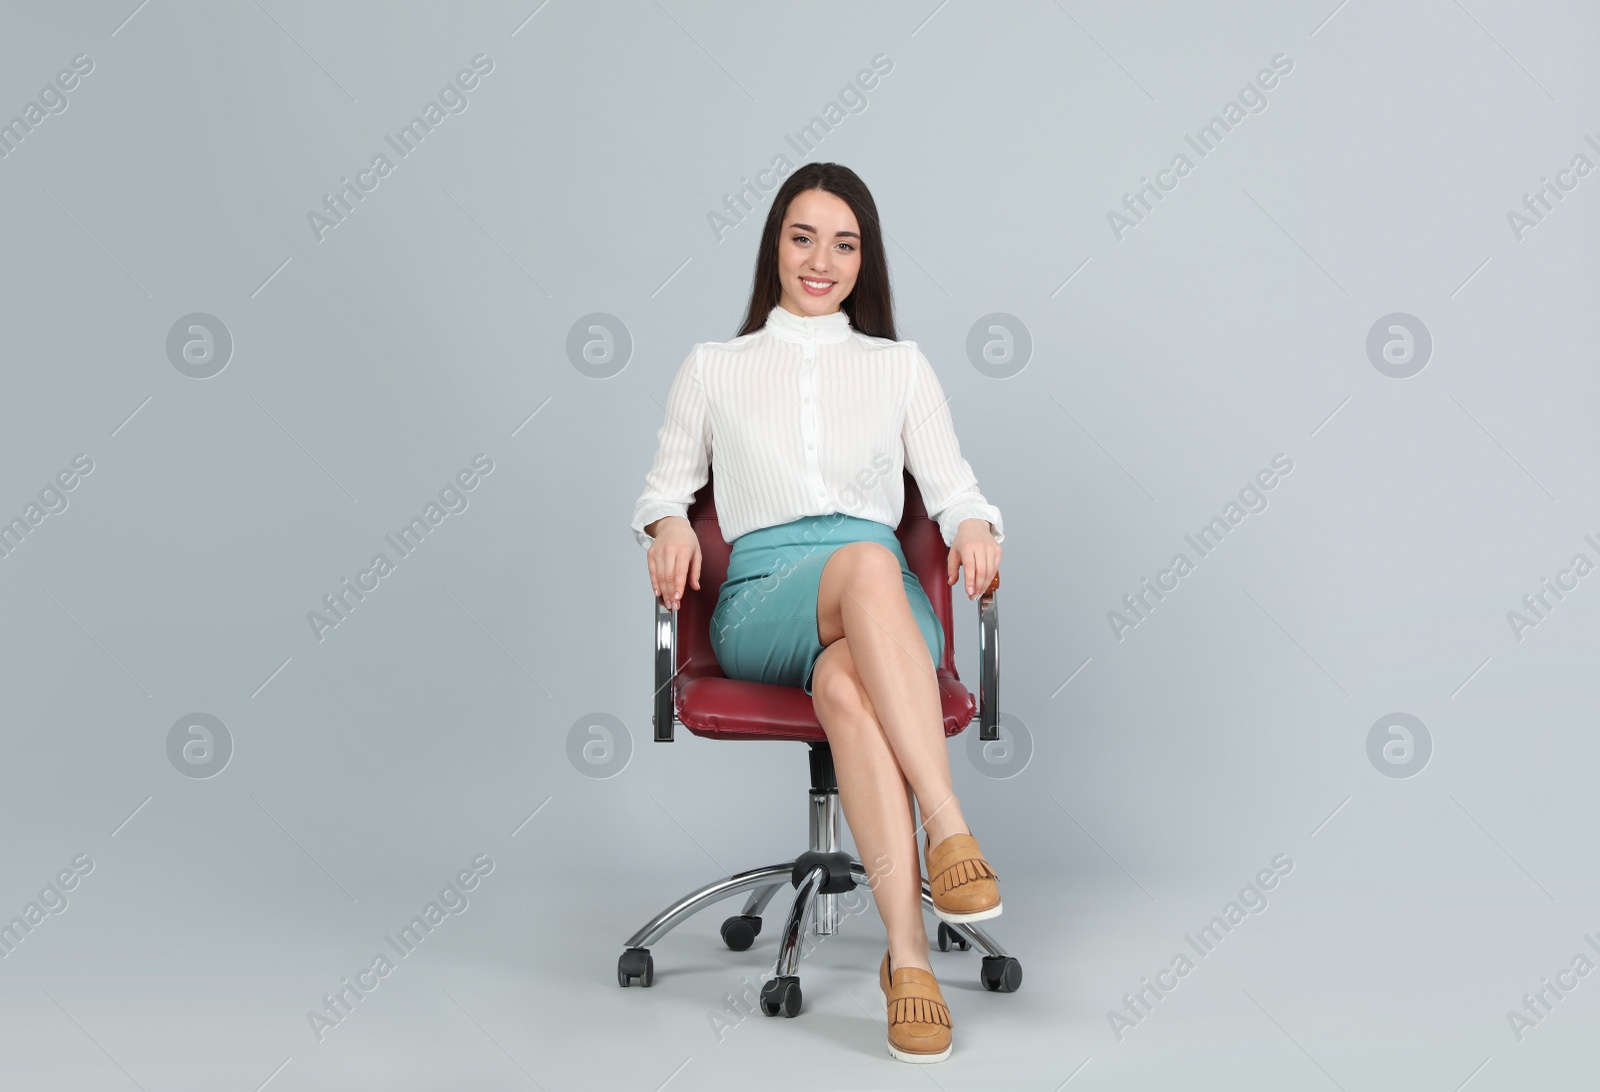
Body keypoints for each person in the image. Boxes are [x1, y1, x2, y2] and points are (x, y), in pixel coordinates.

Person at [629, 162, 1005, 1063]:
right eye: (803, 237)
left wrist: (981, 526)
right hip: (765, 602)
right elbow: (660, 488)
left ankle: (906, 963)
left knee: (848, 683)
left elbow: (955, 491)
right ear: (774, 244)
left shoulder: (898, 366)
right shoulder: (715, 367)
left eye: (844, 243)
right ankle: (947, 826)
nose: (821, 260)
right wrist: (667, 523)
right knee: (869, 561)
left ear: (863, 259)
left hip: (878, 612)